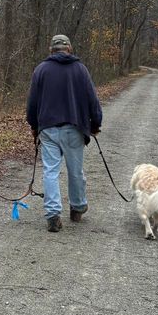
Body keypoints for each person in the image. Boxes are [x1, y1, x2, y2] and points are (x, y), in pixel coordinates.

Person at [25, 34, 102, 233]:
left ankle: (52, 214)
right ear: (69, 48)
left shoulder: (41, 70)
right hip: (74, 128)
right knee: (75, 171)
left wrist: (34, 125)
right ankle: (77, 208)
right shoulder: (80, 69)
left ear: (51, 49)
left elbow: (32, 103)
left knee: (50, 171)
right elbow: (92, 100)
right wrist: (96, 123)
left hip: (48, 128)